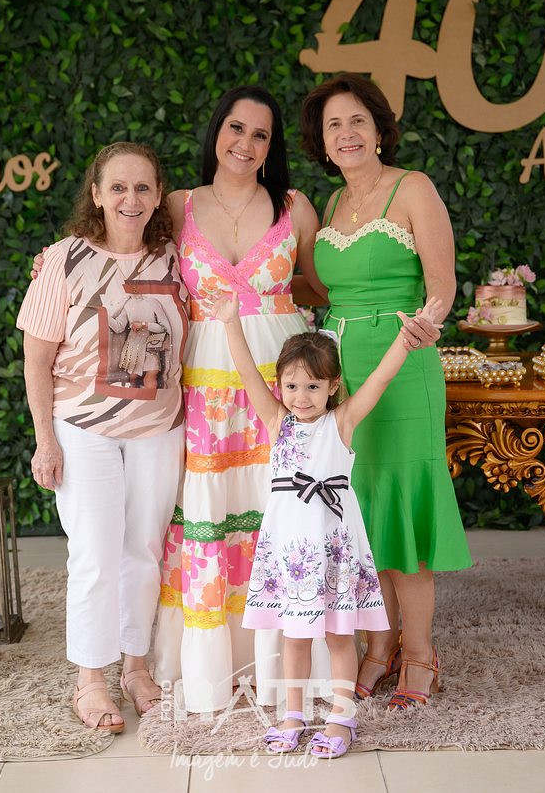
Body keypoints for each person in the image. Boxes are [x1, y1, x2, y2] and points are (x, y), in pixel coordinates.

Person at [153, 85, 329, 713]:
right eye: (236, 128)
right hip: (205, 384)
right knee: (213, 509)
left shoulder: (295, 207)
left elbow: (321, 286)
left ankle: (289, 665)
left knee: (281, 509)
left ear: (271, 146)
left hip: (283, 382)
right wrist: (61, 261)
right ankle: (212, 670)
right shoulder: (177, 206)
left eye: (260, 134)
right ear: (216, 131)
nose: (245, 143)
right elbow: (128, 261)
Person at [301, 73, 473, 710]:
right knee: (360, 512)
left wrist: (425, 323)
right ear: (323, 142)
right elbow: (320, 289)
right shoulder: (330, 205)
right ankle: (379, 646)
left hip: (403, 363)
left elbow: (442, 284)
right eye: (333, 125)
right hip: (341, 368)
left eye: (357, 121)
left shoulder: (412, 188)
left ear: (378, 129)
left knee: (402, 504)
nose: (346, 134)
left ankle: (420, 654)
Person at [212, 289, 444, 757]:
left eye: (314, 387)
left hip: (333, 547)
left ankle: (341, 718)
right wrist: (231, 322)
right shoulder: (277, 421)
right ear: (280, 385)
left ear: (333, 385)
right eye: (292, 386)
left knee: (340, 635)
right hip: (291, 550)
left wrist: (405, 339)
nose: (301, 397)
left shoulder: (342, 422)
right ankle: (292, 716)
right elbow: (245, 370)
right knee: (294, 637)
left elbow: (380, 379)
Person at [17, 142, 188, 731]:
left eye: (142, 187)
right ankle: (90, 680)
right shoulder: (64, 260)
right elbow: (36, 359)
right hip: (83, 430)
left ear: (159, 195)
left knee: (144, 551)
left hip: (158, 430)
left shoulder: (176, 260)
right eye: (117, 187)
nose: (129, 199)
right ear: (95, 194)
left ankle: (136, 668)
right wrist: (45, 440)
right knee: (94, 554)